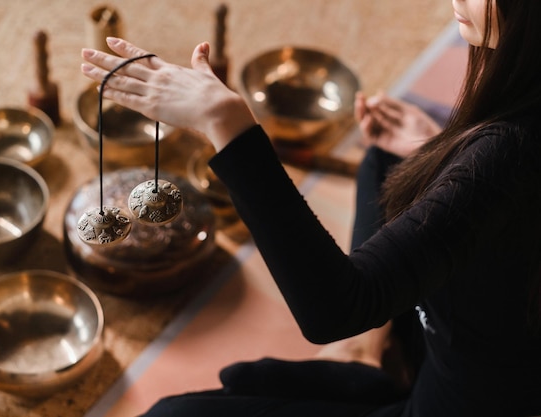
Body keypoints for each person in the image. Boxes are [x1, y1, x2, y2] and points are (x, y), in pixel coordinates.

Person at [80, 0, 541, 415]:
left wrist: (227, 125)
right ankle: (369, 351)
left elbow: (335, 309)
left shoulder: (510, 152)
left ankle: (361, 349)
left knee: (171, 416)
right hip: (477, 322)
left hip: (451, 400)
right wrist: (441, 150)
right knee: (388, 159)